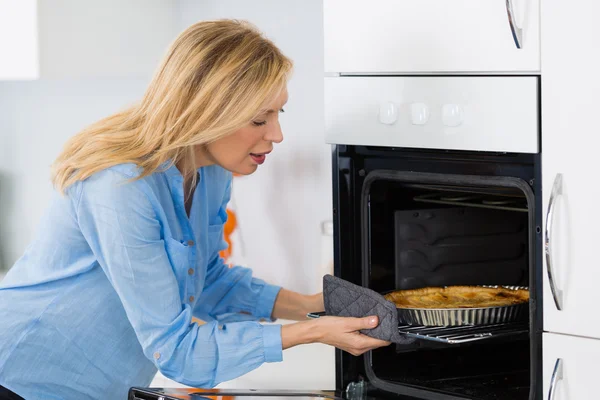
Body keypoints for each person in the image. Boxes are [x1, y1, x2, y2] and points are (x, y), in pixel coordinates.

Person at [0, 20, 389, 400]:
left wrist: (308, 307)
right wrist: (312, 333)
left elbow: (207, 279)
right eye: (259, 119)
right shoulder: (120, 184)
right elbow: (177, 351)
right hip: (22, 378)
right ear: (208, 111)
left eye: (278, 114)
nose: (276, 134)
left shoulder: (212, 173)